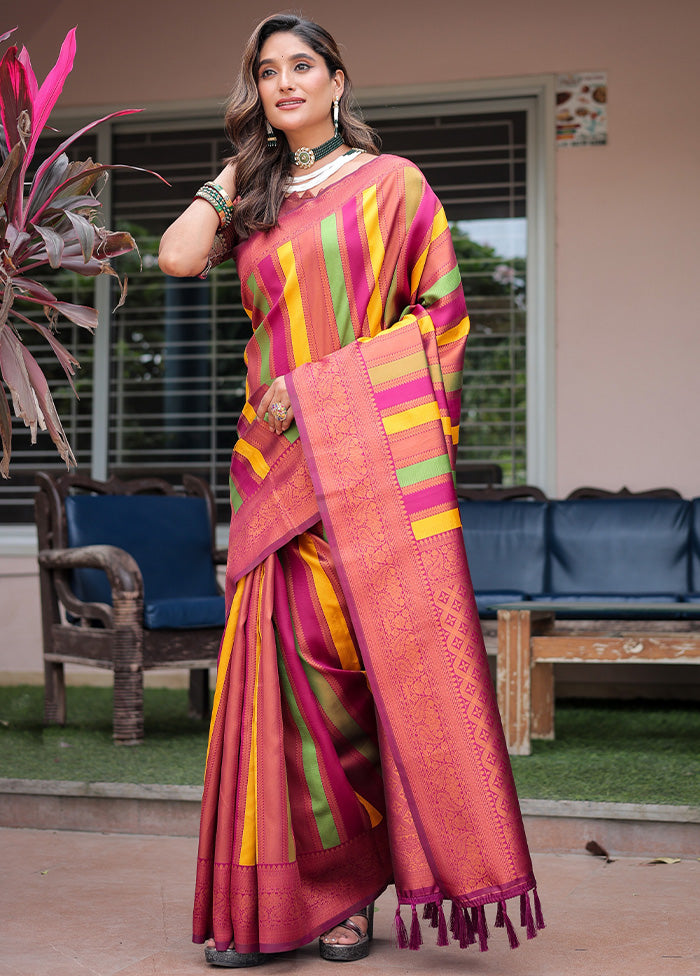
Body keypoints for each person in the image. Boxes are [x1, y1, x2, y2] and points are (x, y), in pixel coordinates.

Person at [159, 12, 543, 968]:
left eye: (303, 66)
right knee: (279, 695)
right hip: (273, 470)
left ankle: (348, 897)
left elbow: (440, 320)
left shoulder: (393, 184)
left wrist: (321, 390)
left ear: (337, 80)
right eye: (267, 71)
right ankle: (276, 908)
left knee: (361, 682)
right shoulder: (256, 198)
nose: (286, 82)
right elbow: (173, 256)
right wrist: (235, 173)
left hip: (365, 470)